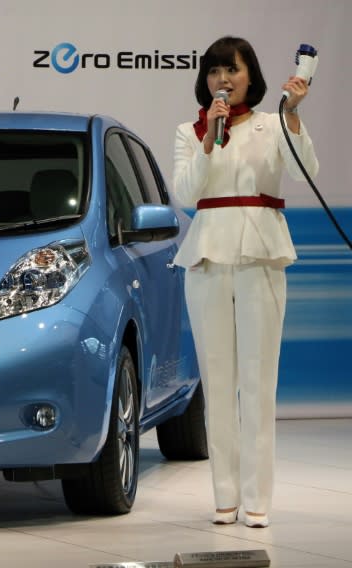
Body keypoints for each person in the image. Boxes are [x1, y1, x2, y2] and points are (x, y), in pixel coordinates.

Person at [171, 36, 319, 528]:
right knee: (218, 383)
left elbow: (305, 171)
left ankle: (258, 499)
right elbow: (187, 191)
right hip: (208, 257)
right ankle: (225, 496)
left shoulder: (273, 124)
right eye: (214, 71)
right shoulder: (189, 131)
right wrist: (210, 138)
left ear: (250, 76)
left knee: (258, 382)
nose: (223, 80)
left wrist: (293, 114)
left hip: (262, 253)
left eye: (231, 70)